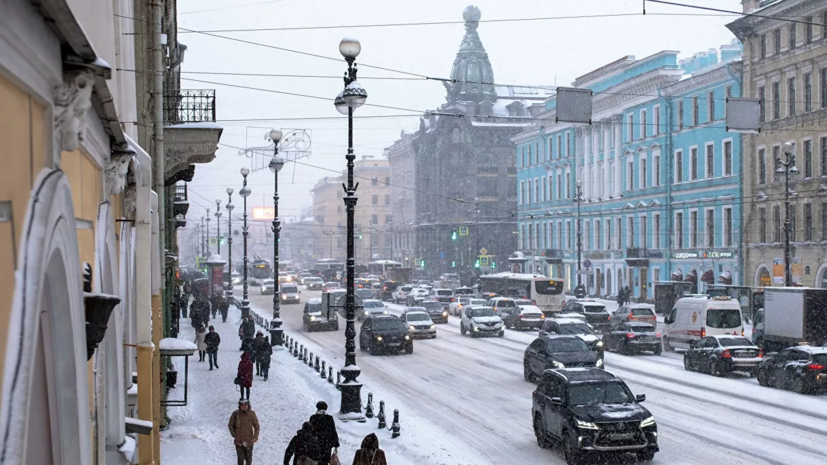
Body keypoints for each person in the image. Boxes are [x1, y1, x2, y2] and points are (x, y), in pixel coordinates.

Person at [228, 399, 259, 465]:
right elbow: (230, 425)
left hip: (249, 441)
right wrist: (234, 434)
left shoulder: (252, 414)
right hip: (239, 442)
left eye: (246, 405)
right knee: (240, 459)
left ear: (248, 405)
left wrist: (255, 437)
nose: (244, 406)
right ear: (240, 406)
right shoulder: (235, 414)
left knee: (248, 459)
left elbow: (257, 426)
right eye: (242, 405)